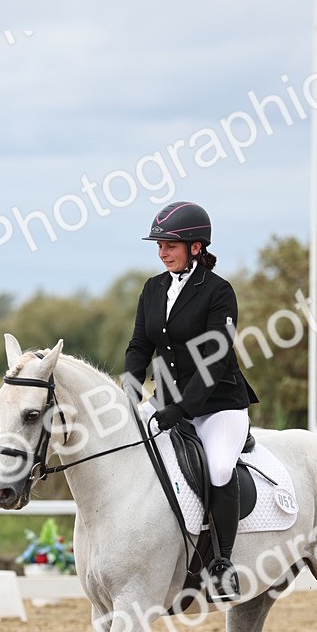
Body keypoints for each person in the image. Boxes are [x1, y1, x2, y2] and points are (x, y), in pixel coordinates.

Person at [123, 201, 259, 599]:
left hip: (219, 405)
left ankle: (223, 562)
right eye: (159, 245)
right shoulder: (153, 288)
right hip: (166, 405)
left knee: (218, 468)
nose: (162, 251)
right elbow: (139, 345)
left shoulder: (219, 292)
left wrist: (181, 409)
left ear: (196, 247)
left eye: (171, 244)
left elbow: (214, 361)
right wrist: (130, 392)